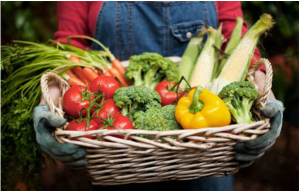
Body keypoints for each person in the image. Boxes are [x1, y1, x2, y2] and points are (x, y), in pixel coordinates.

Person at [33, 2, 284, 191]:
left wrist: (264, 91)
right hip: (116, 154)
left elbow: (231, 31)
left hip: (206, 152)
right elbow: (70, 44)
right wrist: (51, 99)